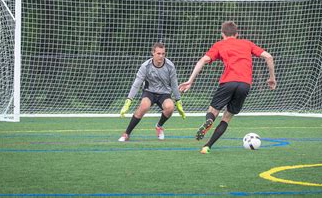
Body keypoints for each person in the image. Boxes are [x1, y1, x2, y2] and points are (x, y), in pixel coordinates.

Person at [178, 21, 276, 154]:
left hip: (228, 82)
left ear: (222, 34)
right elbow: (268, 57)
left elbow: (203, 60)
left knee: (213, 111)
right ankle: (207, 146)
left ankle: (209, 121)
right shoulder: (247, 43)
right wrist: (272, 78)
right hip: (245, 85)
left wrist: (190, 81)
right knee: (227, 117)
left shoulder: (219, 44)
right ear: (237, 34)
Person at [118, 42, 186, 142]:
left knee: (170, 107)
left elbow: (174, 85)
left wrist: (178, 101)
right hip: (149, 92)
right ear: (153, 53)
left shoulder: (170, 66)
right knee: (144, 106)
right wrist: (128, 100)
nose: (161, 56)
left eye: (163, 54)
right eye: (158, 53)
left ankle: (159, 126)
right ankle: (126, 133)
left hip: (164, 93)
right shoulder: (145, 66)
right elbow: (136, 84)